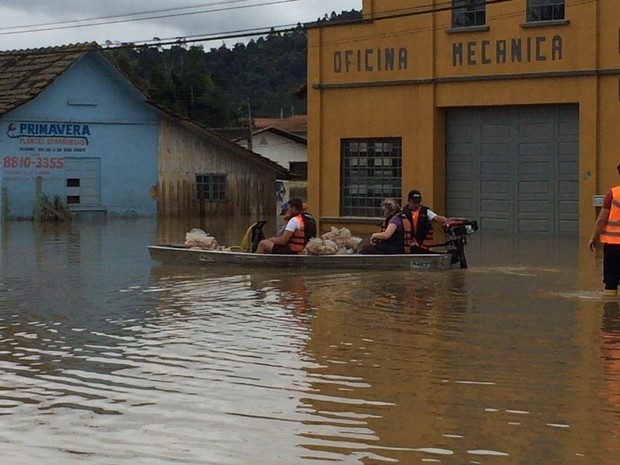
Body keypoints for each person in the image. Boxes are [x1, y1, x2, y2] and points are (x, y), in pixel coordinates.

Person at [588, 164, 620, 296]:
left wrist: (593, 237)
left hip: (613, 245)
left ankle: (610, 313)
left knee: (611, 283)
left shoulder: (613, 194)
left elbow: (602, 219)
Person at [401, 189, 448, 253]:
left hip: (422, 246)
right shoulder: (402, 212)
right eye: (414, 202)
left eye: (418, 202)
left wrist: (448, 221)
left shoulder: (425, 211)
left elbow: (436, 217)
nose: (416, 204)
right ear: (409, 201)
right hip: (408, 246)